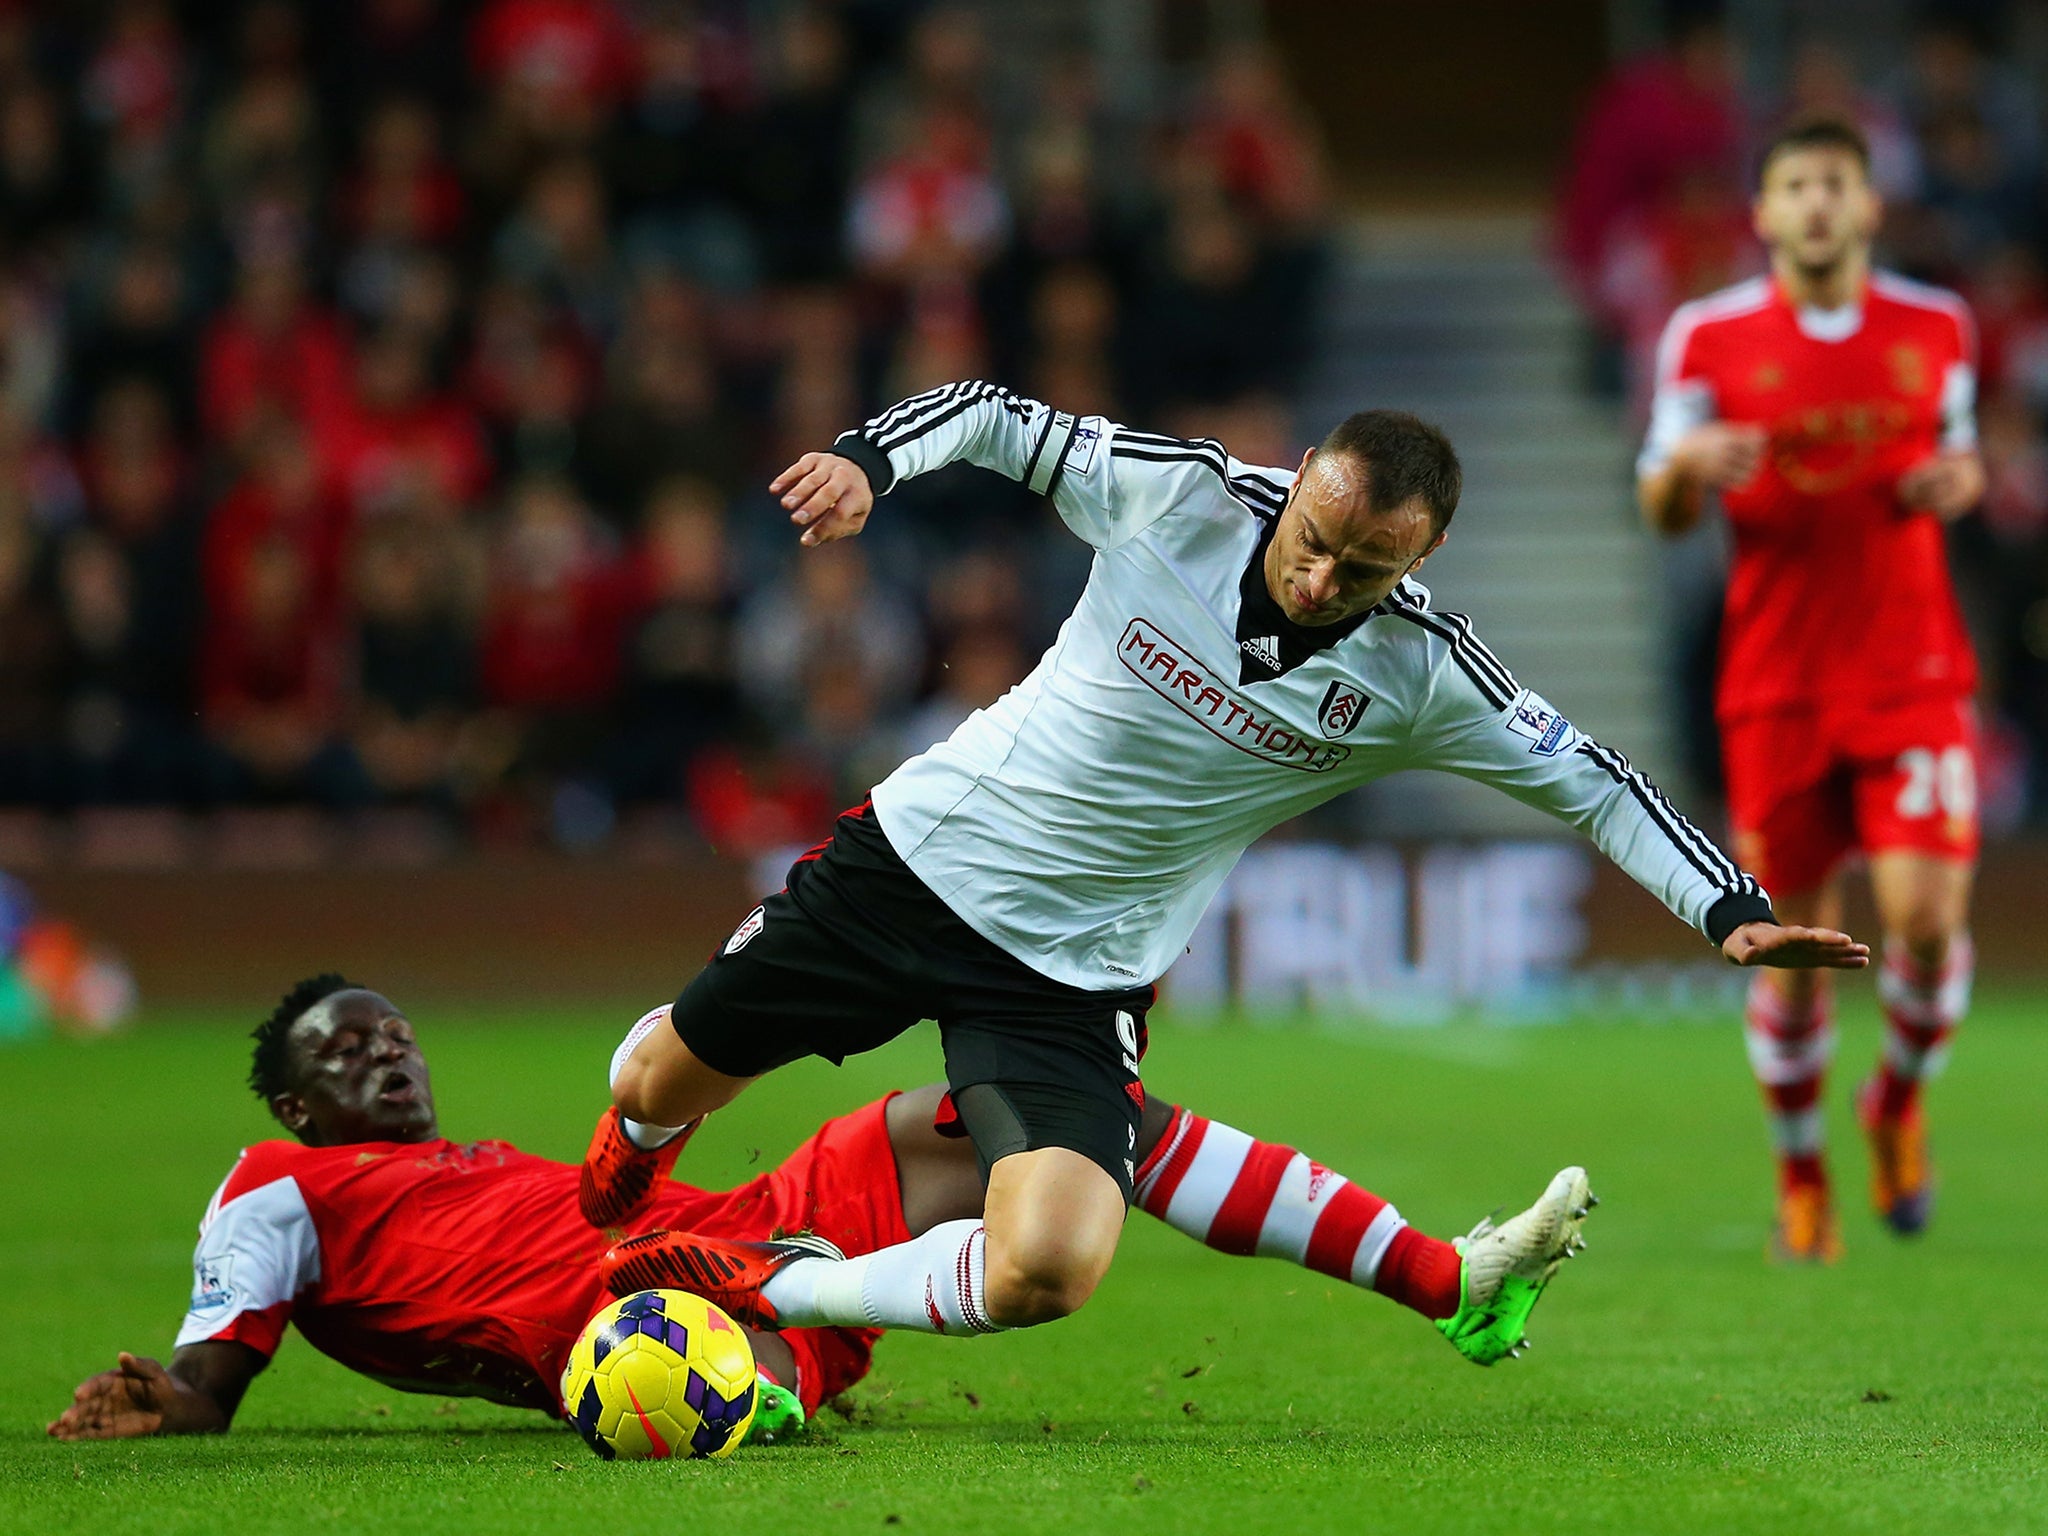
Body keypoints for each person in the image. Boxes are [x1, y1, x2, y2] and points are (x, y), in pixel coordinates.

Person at [586, 375, 1868, 1352]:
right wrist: (871, 464)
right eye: (1313, 532)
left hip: (1076, 975)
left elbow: (1592, 780)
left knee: (1049, 1267)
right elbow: (987, 414)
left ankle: (776, 1278)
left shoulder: (1424, 674)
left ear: (1419, 560)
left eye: (1363, 567)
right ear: (1300, 472)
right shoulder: (1181, 492)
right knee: (655, 1076)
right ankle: (620, 1186)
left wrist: (1726, 910)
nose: (1318, 576)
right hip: (915, 864)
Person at [48, 975, 1590, 1445]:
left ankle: (1450, 1280)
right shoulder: (279, 1189)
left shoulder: (484, 1158)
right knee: (666, 1361)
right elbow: (213, 1376)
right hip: (641, 1328)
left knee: (1078, 1118)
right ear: (294, 1107)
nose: (388, 1051)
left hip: (762, 1213)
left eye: (394, 1027)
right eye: (346, 1050)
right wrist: (167, 1404)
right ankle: (768, 1350)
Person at [1635, 117, 1983, 1262]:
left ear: (1869, 206)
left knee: (1923, 926)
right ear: (1764, 213)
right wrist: (1685, 472)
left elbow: (1960, 452)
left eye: (1837, 183)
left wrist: (1961, 476)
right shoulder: (1706, 336)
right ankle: (1800, 1176)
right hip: (1775, 684)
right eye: (1796, 186)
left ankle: (1892, 1102)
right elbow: (1661, 506)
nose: (1818, 203)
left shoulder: (1936, 326)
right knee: (1789, 949)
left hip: (1911, 672)